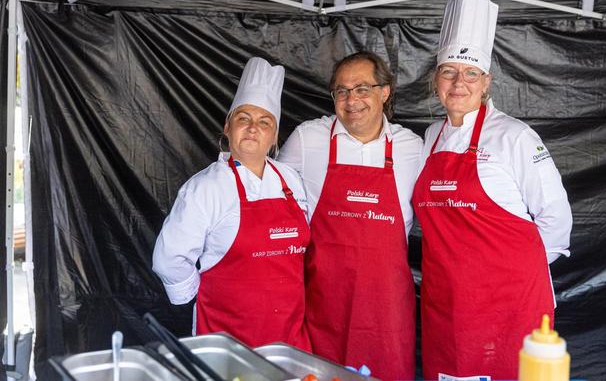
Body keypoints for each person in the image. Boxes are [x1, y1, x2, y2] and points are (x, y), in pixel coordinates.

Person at [412, 0, 573, 380]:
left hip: (508, 304)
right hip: (446, 302)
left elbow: (557, 220)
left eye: (471, 74)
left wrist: (508, 276)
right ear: (436, 80)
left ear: (487, 82)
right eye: (449, 71)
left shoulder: (514, 136)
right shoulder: (429, 138)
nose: (459, 82)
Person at [278, 51, 422, 380]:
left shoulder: (412, 147)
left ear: (384, 92)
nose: (351, 100)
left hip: (386, 307)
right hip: (324, 302)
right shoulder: (307, 139)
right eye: (341, 91)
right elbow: (275, 199)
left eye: (361, 89)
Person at [152, 57, 311, 350]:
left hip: (288, 334)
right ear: (227, 127)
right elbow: (168, 258)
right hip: (225, 336)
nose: (253, 128)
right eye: (244, 118)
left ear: (274, 136)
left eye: (265, 122)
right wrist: (205, 294)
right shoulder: (206, 187)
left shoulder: (291, 181)